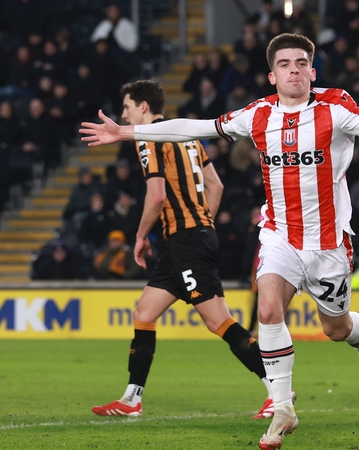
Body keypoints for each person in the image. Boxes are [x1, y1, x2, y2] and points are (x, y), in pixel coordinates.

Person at [81, 33, 359, 448]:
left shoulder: (336, 109)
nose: (293, 70)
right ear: (272, 74)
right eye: (284, 64)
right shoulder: (257, 115)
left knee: (335, 326)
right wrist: (130, 132)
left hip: (329, 243)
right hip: (280, 235)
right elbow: (196, 127)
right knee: (270, 307)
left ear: (312, 72)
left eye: (300, 63)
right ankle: (282, 409)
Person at [88, 80, 277, 420]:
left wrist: (141, 235)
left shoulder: (148, 138)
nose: (124, 114)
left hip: (186, 238)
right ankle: (132, 398)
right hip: (188, 238)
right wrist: (204, 221)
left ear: (143, 107)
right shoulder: (185, 136)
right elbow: (215, 185)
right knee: (144, 314)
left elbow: (157, 196)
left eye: (127, 107)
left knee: (218, 321)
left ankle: (278, 389)